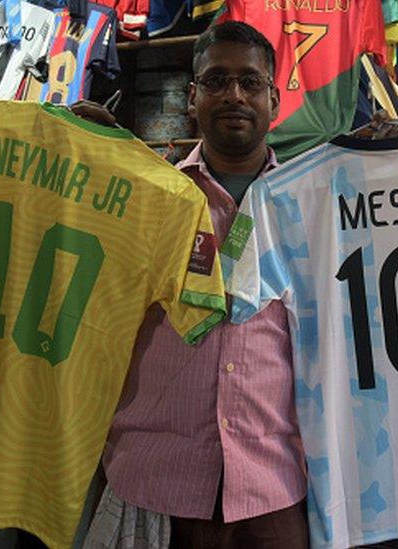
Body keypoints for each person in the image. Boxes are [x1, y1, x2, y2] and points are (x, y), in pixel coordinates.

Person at [85, 22, 309, 549]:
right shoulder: (144, 195)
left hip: (273, 481)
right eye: (216, 81)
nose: (234, 94)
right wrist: (80, 151)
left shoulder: (309, 204)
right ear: (192, 97)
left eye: (250, 82)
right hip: (155, 476)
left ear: (275, 99)